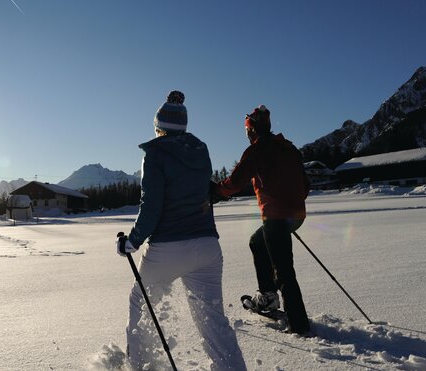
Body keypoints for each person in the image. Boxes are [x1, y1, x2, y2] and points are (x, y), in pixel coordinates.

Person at [116, 91, 246, 370]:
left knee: (140, 301)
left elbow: (151, 206)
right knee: (212, 319)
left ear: (159, 127)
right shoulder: (201, 151)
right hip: (208, 247)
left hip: (169, 247)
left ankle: (139, 364)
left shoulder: (155, 154)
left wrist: (133, 241)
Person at [216, 105, 311, 334]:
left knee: (284, 270)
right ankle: (267, 295)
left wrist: (214, 191)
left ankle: (299, 323)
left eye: (247, 131)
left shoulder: (257, 150)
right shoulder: (288, 148)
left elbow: (235, 182)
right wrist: (291, 207)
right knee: (257, 242)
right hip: (296, 215)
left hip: (277, 218)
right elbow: (306, 185)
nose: (247, 135)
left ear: (252, 130)